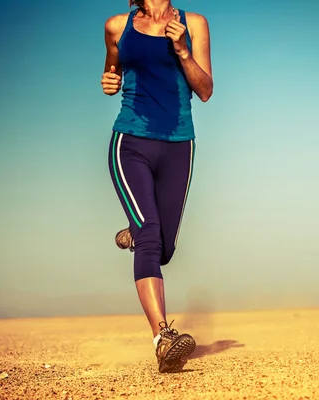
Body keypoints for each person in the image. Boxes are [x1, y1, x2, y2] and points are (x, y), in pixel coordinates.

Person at [100, 0, 213, 373]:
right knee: (151, 235)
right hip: (130, 141)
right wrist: (108, 81)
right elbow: (111, 75)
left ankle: (136, 232)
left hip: (180, 144)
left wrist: (182, 50)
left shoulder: (194, 23)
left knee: (163, 249)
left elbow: (206, 89)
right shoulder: (118, 25)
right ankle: (162, 338)